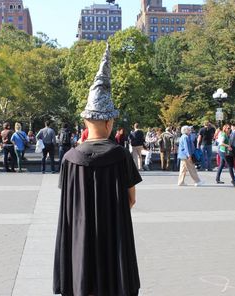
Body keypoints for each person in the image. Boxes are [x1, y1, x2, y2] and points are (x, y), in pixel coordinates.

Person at [54, 44, 141, 296]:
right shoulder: (120, 155)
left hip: (79, 242)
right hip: (113, 239)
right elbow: (131, 199)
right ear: (108, 121)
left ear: (85, 121)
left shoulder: (70, 158)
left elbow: (67, 202)